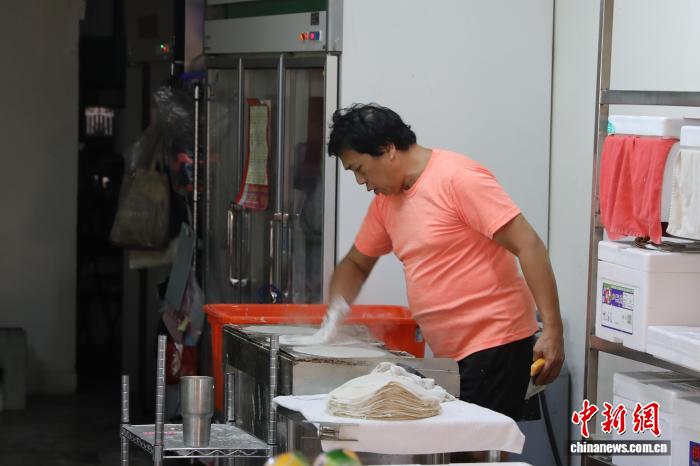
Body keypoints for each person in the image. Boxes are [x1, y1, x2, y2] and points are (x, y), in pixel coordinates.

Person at [320, 103, 565, 424]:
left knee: (474, 444)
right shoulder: (386, 203)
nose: (360, 181)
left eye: (359, 169)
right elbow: (356, 263)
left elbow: (529, 244)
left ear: (388, 149)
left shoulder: (457, 178)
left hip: (496, 342)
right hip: (449, 354)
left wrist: (553, 330)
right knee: (456, 441)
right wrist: (335, 313)